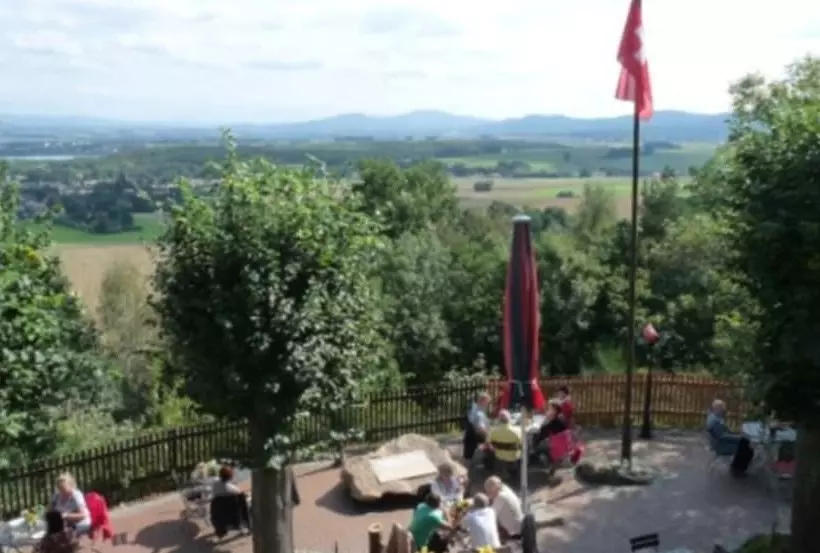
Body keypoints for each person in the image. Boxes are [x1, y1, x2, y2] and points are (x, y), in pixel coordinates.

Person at [707, 399, 754, 476]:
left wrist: (735, 434)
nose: (724, 411)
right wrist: (737, 437)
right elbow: (721, 437)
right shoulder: (715, 421)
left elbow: (725, 430)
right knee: (746, 445)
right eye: (722, 409)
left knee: (745, 442)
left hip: (719, 443)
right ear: (717, 409)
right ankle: (738, 469)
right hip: (721, 445)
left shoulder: (714, 417)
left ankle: (737, 467)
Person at [484, 476, 523, 541]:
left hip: (514, 533)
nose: (488, 495)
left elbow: (490, 516)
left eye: (489, 492)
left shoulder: (500, 497)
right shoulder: (507, 490)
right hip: (520, 527)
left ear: (494, 488)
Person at [486, 409, 523, 475]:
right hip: (514, 459)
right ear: (509, 419)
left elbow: (488, 443)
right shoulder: (518, 431)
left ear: (499, 420)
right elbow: (522, 444)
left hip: (499, 458)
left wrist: (494, 449)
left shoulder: (493, 430)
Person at [533, 401, 568, 468]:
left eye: (549, 409)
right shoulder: (559, 419)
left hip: (554, 445)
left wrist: (536, 441)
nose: (547, 411)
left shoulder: (553, 423)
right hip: (561, 445)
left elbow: (542, 435)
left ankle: (544, 458)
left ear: (554, 411)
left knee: (536, 441)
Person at [463, 392, 491, 460]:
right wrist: (488, 435)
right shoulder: (479, 413)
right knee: (474, 459)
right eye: (487, 403)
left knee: (468, 457)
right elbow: (480, 428)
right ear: (482, 401)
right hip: (476, 439)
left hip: (469, 436)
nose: (487, 405)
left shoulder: (474, 408)